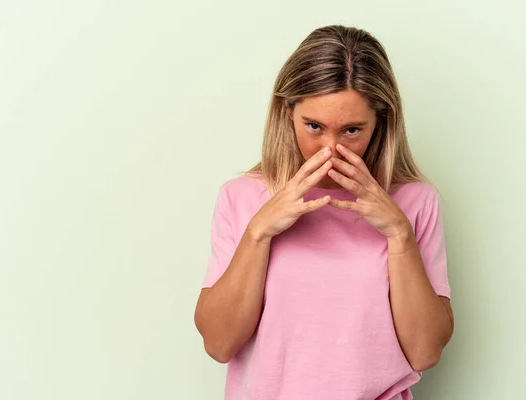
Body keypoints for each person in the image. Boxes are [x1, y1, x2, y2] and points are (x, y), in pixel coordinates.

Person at [193, 24, 454, 400]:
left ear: (380, 123)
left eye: (351, 130)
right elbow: (218, 345)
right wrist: (258, 233)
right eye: (314, 126)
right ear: (288, 113)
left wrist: (399, 234)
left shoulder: (415, 201)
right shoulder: (242, 197)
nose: (329, 149)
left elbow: (426, 352)